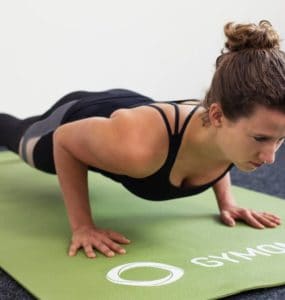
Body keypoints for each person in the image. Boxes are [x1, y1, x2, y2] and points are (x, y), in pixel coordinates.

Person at [1, 20, 285, 259]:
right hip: (77, 117)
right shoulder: (137, 149)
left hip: (133, 111)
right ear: (218, 116)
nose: (271, 157)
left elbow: (215, 149)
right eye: (260, 138)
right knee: (18, 137)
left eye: (281, 139)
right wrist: (82, 227)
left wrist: (228, 203)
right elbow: (63, 140)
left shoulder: (230, 133)